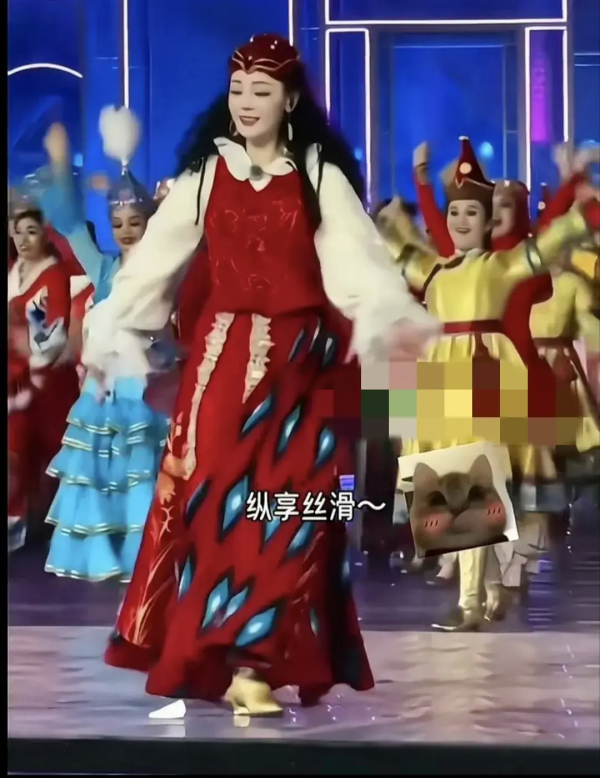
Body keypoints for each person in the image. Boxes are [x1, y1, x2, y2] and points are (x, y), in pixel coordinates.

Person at [81, 34, 438, 717]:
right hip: (223, 366)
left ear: (291, 100)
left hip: (302, 371)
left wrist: (391, 325)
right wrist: (113, 328)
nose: (246, 103)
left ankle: (255, 663)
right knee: (217, 509)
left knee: (295, 515)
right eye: (238, 89)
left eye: (262, 91)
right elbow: (153, 266)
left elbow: (359, 267)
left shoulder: (317, 176)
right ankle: (223, 656)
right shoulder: (205, 176)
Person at [395, 136, 599, 631]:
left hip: (489, 378)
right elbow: (396, 249)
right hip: (441, 381)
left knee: (471, 483)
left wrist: (583, 202)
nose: (461, 220)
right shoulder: (437, 269)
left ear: (489, 223)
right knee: (451, 486)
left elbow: (551, 237)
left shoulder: (502, 265)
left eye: (473, 212)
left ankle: (471, 603)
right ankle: (487, 590)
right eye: (455, 212)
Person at [29, 110, 170, 583]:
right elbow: (71, 228)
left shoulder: (164, 269)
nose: (126, 230)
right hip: (106, 386)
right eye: (118, 222)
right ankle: (106, 556)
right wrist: (60, 163)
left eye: (135, 221)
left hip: (145, 383)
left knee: (142, 474)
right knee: (102, 473)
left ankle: (146, 555)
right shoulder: (105, 269)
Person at [8, 208, 79, 551]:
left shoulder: (54, 275)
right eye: (17, 232)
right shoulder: (13, 273)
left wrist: (22, 335)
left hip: (46, 382)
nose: (23, 239)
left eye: (31, 231)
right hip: (15, 378)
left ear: (44, 234)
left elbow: (53, 334)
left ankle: (44, 523)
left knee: (47, 451)